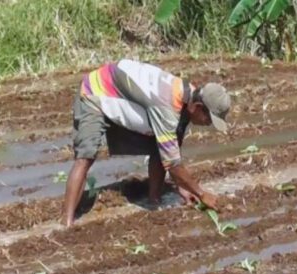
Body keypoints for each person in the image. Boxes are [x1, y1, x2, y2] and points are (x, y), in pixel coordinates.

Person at [62, 59, 231, 227]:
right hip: (95, 91)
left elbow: (171, 148)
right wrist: (201, 194)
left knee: (161, 145)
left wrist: (183, 186)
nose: (208, 123)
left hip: (122, 90)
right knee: (85, 157)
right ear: (198, 107)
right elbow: (172, 162)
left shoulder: (189, 95)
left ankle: (154, 200)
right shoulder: (167, 106)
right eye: (209, 118)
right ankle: (66, 222)